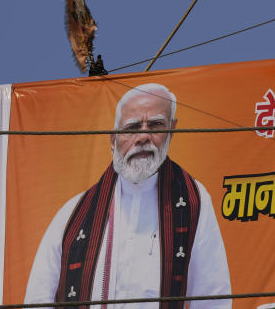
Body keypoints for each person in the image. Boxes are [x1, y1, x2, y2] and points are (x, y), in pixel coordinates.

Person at [24, 84, 231, 309]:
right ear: (113, 141)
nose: (143, 136)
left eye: (155, 125)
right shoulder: (72, 215)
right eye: (132, 127)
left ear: (172, 129)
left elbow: (213, 299)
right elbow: (38, 300)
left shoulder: (193, 202)